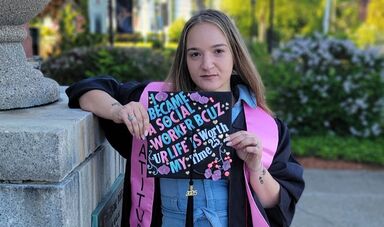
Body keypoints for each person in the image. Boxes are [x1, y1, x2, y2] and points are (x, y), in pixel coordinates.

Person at [66, 9, 304, 227]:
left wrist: (256, 168)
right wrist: (118, 111)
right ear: (185, 60)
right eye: (195, 54)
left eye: (218, 51)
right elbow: (86, 90)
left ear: (235, 56)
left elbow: (278, 203)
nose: (206, 64)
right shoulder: (157, 105)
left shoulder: (264, 126)